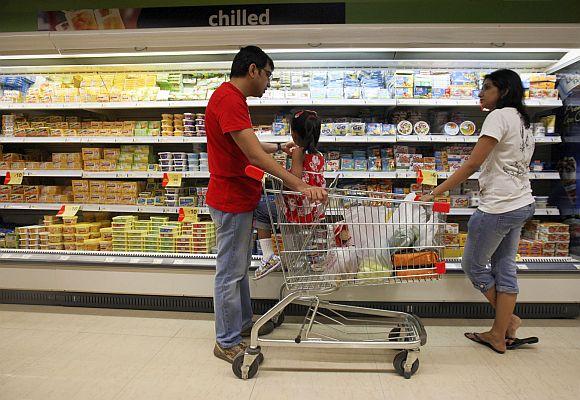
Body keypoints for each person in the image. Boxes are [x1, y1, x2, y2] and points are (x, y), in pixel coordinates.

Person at [205, 46, 327, 364]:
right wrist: (299, 183)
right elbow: (253, 155)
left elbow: (248, 143)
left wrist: (281, 147)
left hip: (240, 197)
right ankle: (226, 340)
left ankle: (242, 325)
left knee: (238, 268)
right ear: (254, 70)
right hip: (231, 199)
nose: (269, 82)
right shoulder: (230, 99)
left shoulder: (232, 99)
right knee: (230, 272)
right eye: (269, 75)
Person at [421, 69, 538, 354]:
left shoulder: (498, 116)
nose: (481, 93)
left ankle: (506, 323)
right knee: (504, 267)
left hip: (498, 207)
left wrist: (435, 192)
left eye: (487, 88)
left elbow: (472, 164)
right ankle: (502, 330)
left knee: (472, 265)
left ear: (505, 91)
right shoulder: (523, 121)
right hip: (522, 202)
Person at [253, 110, 326, 279]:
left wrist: (279, 175)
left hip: (296, 209)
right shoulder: (319, 155)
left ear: (293, 133)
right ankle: (296, 258)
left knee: (262, 211)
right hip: (312, 209)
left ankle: (268, 256)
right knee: (291, 230)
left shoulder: (298, 153)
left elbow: (295, 179)